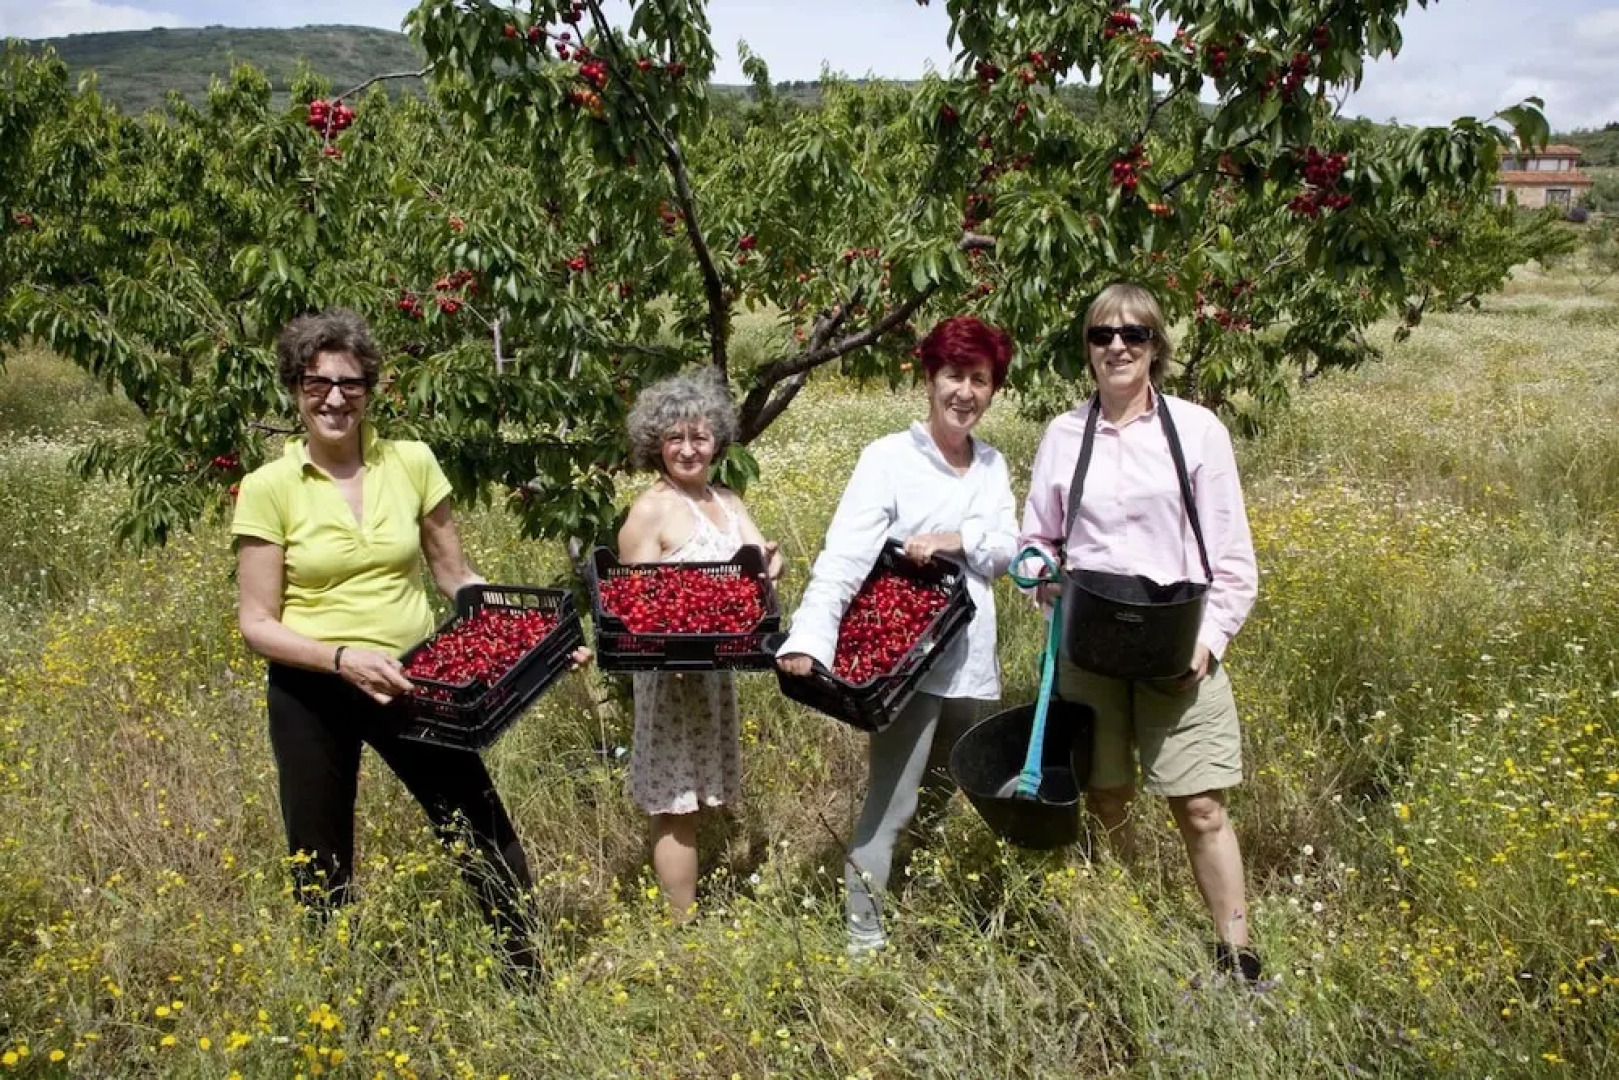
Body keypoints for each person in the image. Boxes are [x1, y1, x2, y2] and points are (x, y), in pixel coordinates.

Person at [232, 308, 588, 974]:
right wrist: (341, 659)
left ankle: (529, 979)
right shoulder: (268, 487)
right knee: (320, 856)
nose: (335, 398)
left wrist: (530, 641)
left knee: (482, 831)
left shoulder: (413, 463)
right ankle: (335, 1002)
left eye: (351, 383)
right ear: (294, 387)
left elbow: (456, 577)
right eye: (317, 383)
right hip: (312, 692)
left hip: (414, 679)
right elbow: (257, 623)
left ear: (371, 389)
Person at [1019, 282, 1262, 980]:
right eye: (1101, 336)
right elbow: (1036, 539)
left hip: (1176, 639)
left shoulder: (1197, 430)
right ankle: (1130, 931)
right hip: (1088, 640)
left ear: (1156, 346)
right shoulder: (1064, 435)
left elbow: (1233, 558)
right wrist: (1039, 576)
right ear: (1087, 349)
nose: (1117, 347)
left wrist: (1207, 640)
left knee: (1202, 806)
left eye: (1133, 334)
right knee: (1105, 794)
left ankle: (1237, 954)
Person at [776, 316, 1019, 955]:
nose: (964, 392)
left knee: (942, 796)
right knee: (893, 802)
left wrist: (956, 539)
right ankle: (863, 943)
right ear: (928, 379)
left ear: (994, 389)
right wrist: (809, 638)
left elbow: (1006, 551)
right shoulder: (888, 458)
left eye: (979, 379)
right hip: (905, 666)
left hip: (971, 660)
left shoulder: (992, 464)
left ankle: (910, 909)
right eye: (953, 376)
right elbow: (845, 556)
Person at [616, 371, 783, 920]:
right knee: (675, 803)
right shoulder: (651, 510)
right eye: (674, 438)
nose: (688, 449)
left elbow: (756, 565)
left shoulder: (728, 500)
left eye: (699, 436)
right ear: (655, 444)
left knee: (703, 793)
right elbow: (633, 609)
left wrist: (771, 566)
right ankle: (682, 927)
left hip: (718, 671)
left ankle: (690, 911)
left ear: (717, 441)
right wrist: (674, 649)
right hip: (673, 676)